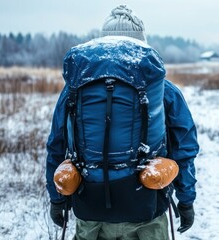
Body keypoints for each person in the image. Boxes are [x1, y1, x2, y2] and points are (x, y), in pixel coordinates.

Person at [45, 4, 199, 240]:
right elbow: (184, 149)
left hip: (90, 207)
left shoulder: (75, 90)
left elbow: (56, 143)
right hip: (147, 206)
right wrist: (186, 200)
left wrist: (57, 199)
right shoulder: (163, 91)